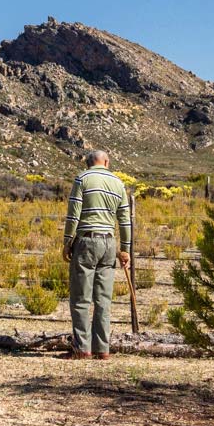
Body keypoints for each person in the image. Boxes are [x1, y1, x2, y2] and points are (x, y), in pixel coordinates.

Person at [61, 150, 131, 359]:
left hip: (86, 241)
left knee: (81, 297)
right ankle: (102, 349)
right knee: (103, 299)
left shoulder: (82, 178)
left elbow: (74, 215)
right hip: (109, 243)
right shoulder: (118, 183)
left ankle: (82, 349)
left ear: (88, 162)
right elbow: (125, 219)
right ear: (106, 162)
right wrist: (125, 249)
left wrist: (67, 242)